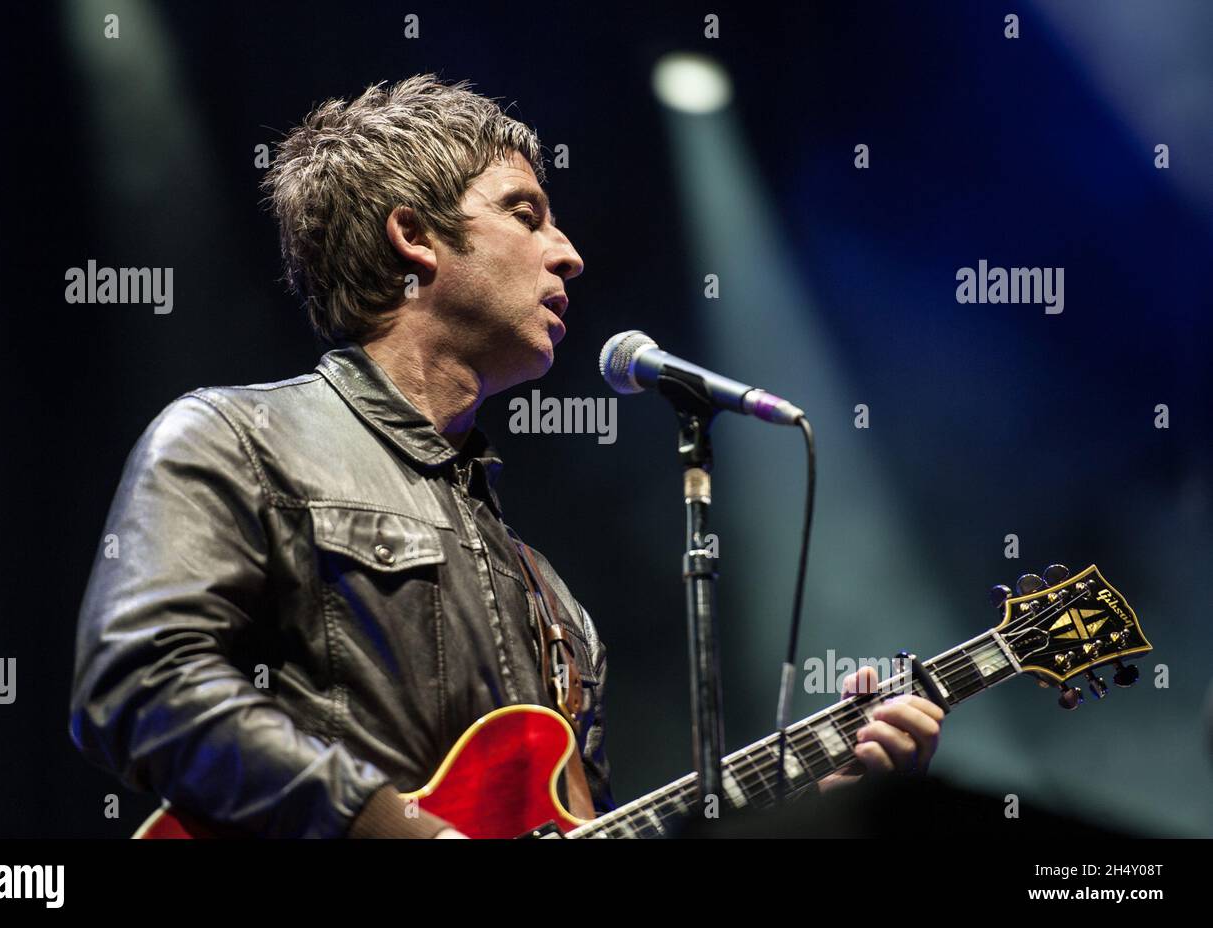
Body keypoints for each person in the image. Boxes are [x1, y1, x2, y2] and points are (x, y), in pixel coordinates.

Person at [69, 74, 942, 838]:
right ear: (415, 236)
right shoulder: (236, 441)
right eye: (525, 214)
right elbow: (143, 686)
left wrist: (821, 799)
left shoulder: (549, 598)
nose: (569, 252)